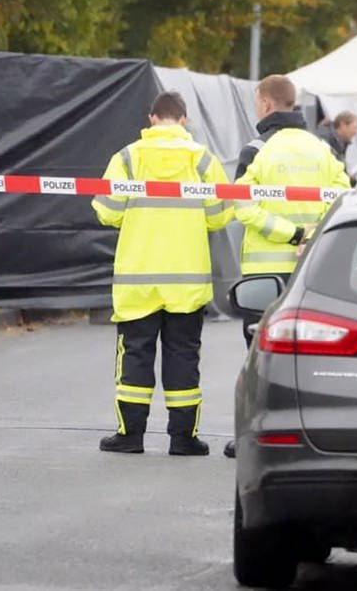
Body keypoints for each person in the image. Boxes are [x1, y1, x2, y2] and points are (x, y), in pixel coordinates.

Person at [91, 91, 231, 456]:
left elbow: (106, 210)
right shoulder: (203, 160)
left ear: (152, 118)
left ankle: (130, 435)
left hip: (138, 278)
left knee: (135, 354)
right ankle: (183, 439)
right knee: (183, 356)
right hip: (187, 280)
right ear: (183, 120)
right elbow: (219, 216)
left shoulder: (127, 158)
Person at [227, 75, 350, 457]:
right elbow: (344, 197)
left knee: (259, 355)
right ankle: (311, 432)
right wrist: (312, 235)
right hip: (312, 271)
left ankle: (254, 435)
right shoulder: (321, 150)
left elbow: (242, 205)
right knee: (311, 350)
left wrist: (290, 233)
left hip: (264, 275)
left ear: (265, 104)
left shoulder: (256, 149)